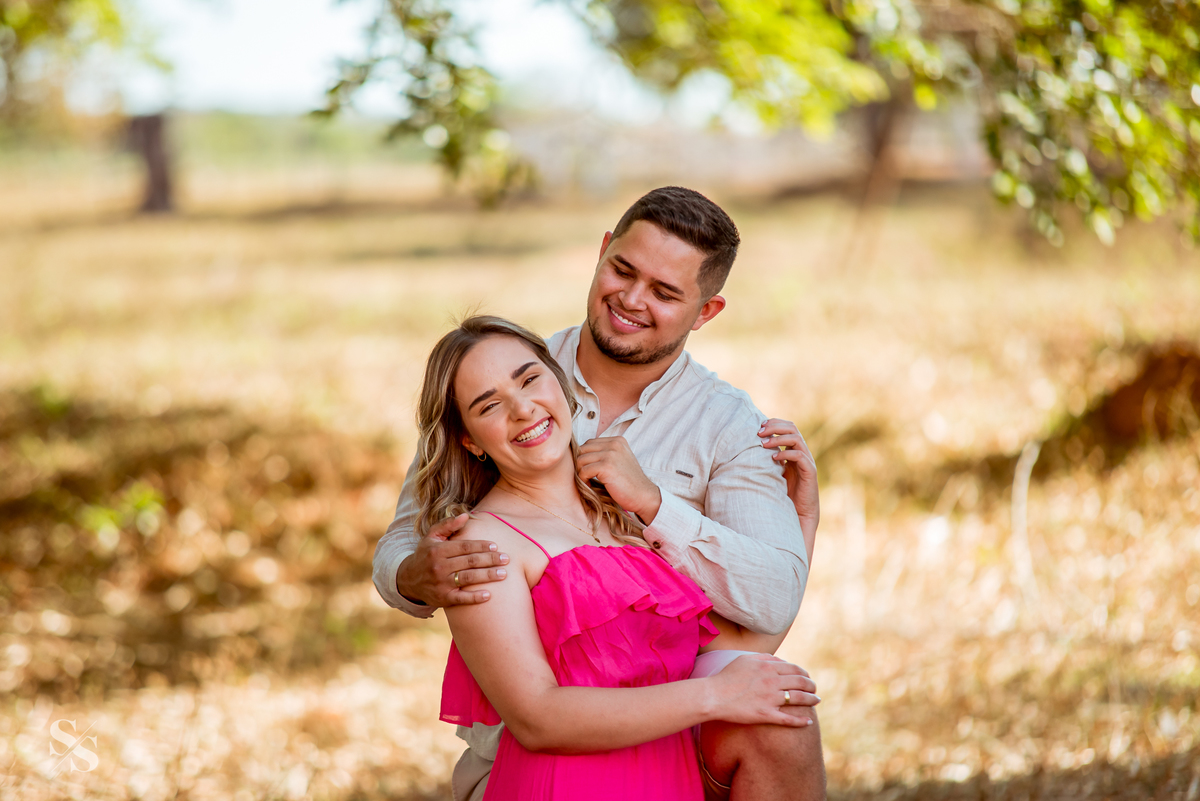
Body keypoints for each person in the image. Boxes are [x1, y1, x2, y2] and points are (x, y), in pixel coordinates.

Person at [375, 186, 825, 800]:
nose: (632, 300)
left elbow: (761, 614)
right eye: (623, 269)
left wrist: (659, 504)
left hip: (674, 731)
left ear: (705, 311)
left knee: (782, 709)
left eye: (666, 293)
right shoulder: (517, 369)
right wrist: (414, 575)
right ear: (603, 250)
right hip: (546, 754)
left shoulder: (727, 429)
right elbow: (408, 537)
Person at [420, 316, 817, 800]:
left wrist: (804, 521)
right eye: (490, 406)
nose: (523, 409)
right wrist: (713, 697)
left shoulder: (617, 516)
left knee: (784, 703)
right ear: (468, 439)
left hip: (666, 781)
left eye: (530, 379)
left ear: (560, 383)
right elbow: (536, 718)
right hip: (569, 787)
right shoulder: (483, 544)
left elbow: (744, 647)